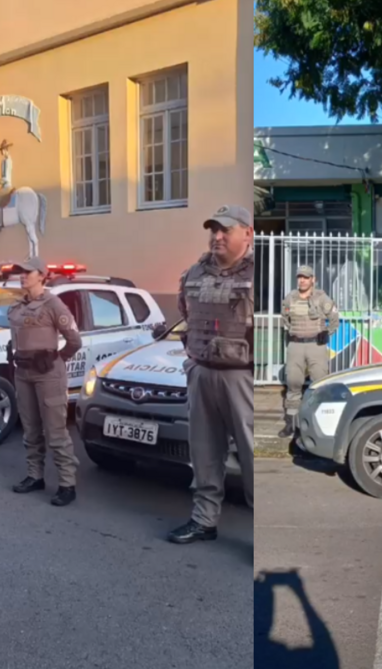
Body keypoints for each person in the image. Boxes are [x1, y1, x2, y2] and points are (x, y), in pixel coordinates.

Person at [167, 205, 255, 545]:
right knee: (203, 452)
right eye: (213, 230)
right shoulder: (194, 272)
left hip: (241, 377)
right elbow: (185, 312)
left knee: (250, 457)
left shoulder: (256, 273)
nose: (217, 236)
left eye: (226, 230)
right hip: (202, 372)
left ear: (247, 232)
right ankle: (204, 521)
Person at [7, 257, 83, 506]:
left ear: (41, 275)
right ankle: (34, 475)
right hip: (24, 373)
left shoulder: (53, 304)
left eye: (28, 272)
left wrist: (55, 359)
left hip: (48, 374)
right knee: (30, 428)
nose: (23, 276)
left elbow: (74, 340)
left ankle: (66, 483)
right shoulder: (18, 305)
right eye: (21, 272)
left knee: (55, 431)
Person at [279, 265, 338, 442]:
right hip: (296, 345)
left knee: (320, 383)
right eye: (300, 277)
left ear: (313, 279)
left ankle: (319, 420)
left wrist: (326, 333)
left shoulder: (322, 298)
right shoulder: (290, 298)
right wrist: (293, 334)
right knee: (293, 383)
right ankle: (291, 423)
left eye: (306, 277)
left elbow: (334, 318)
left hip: (315, 346)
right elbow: (285, 319)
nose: (302, 280)